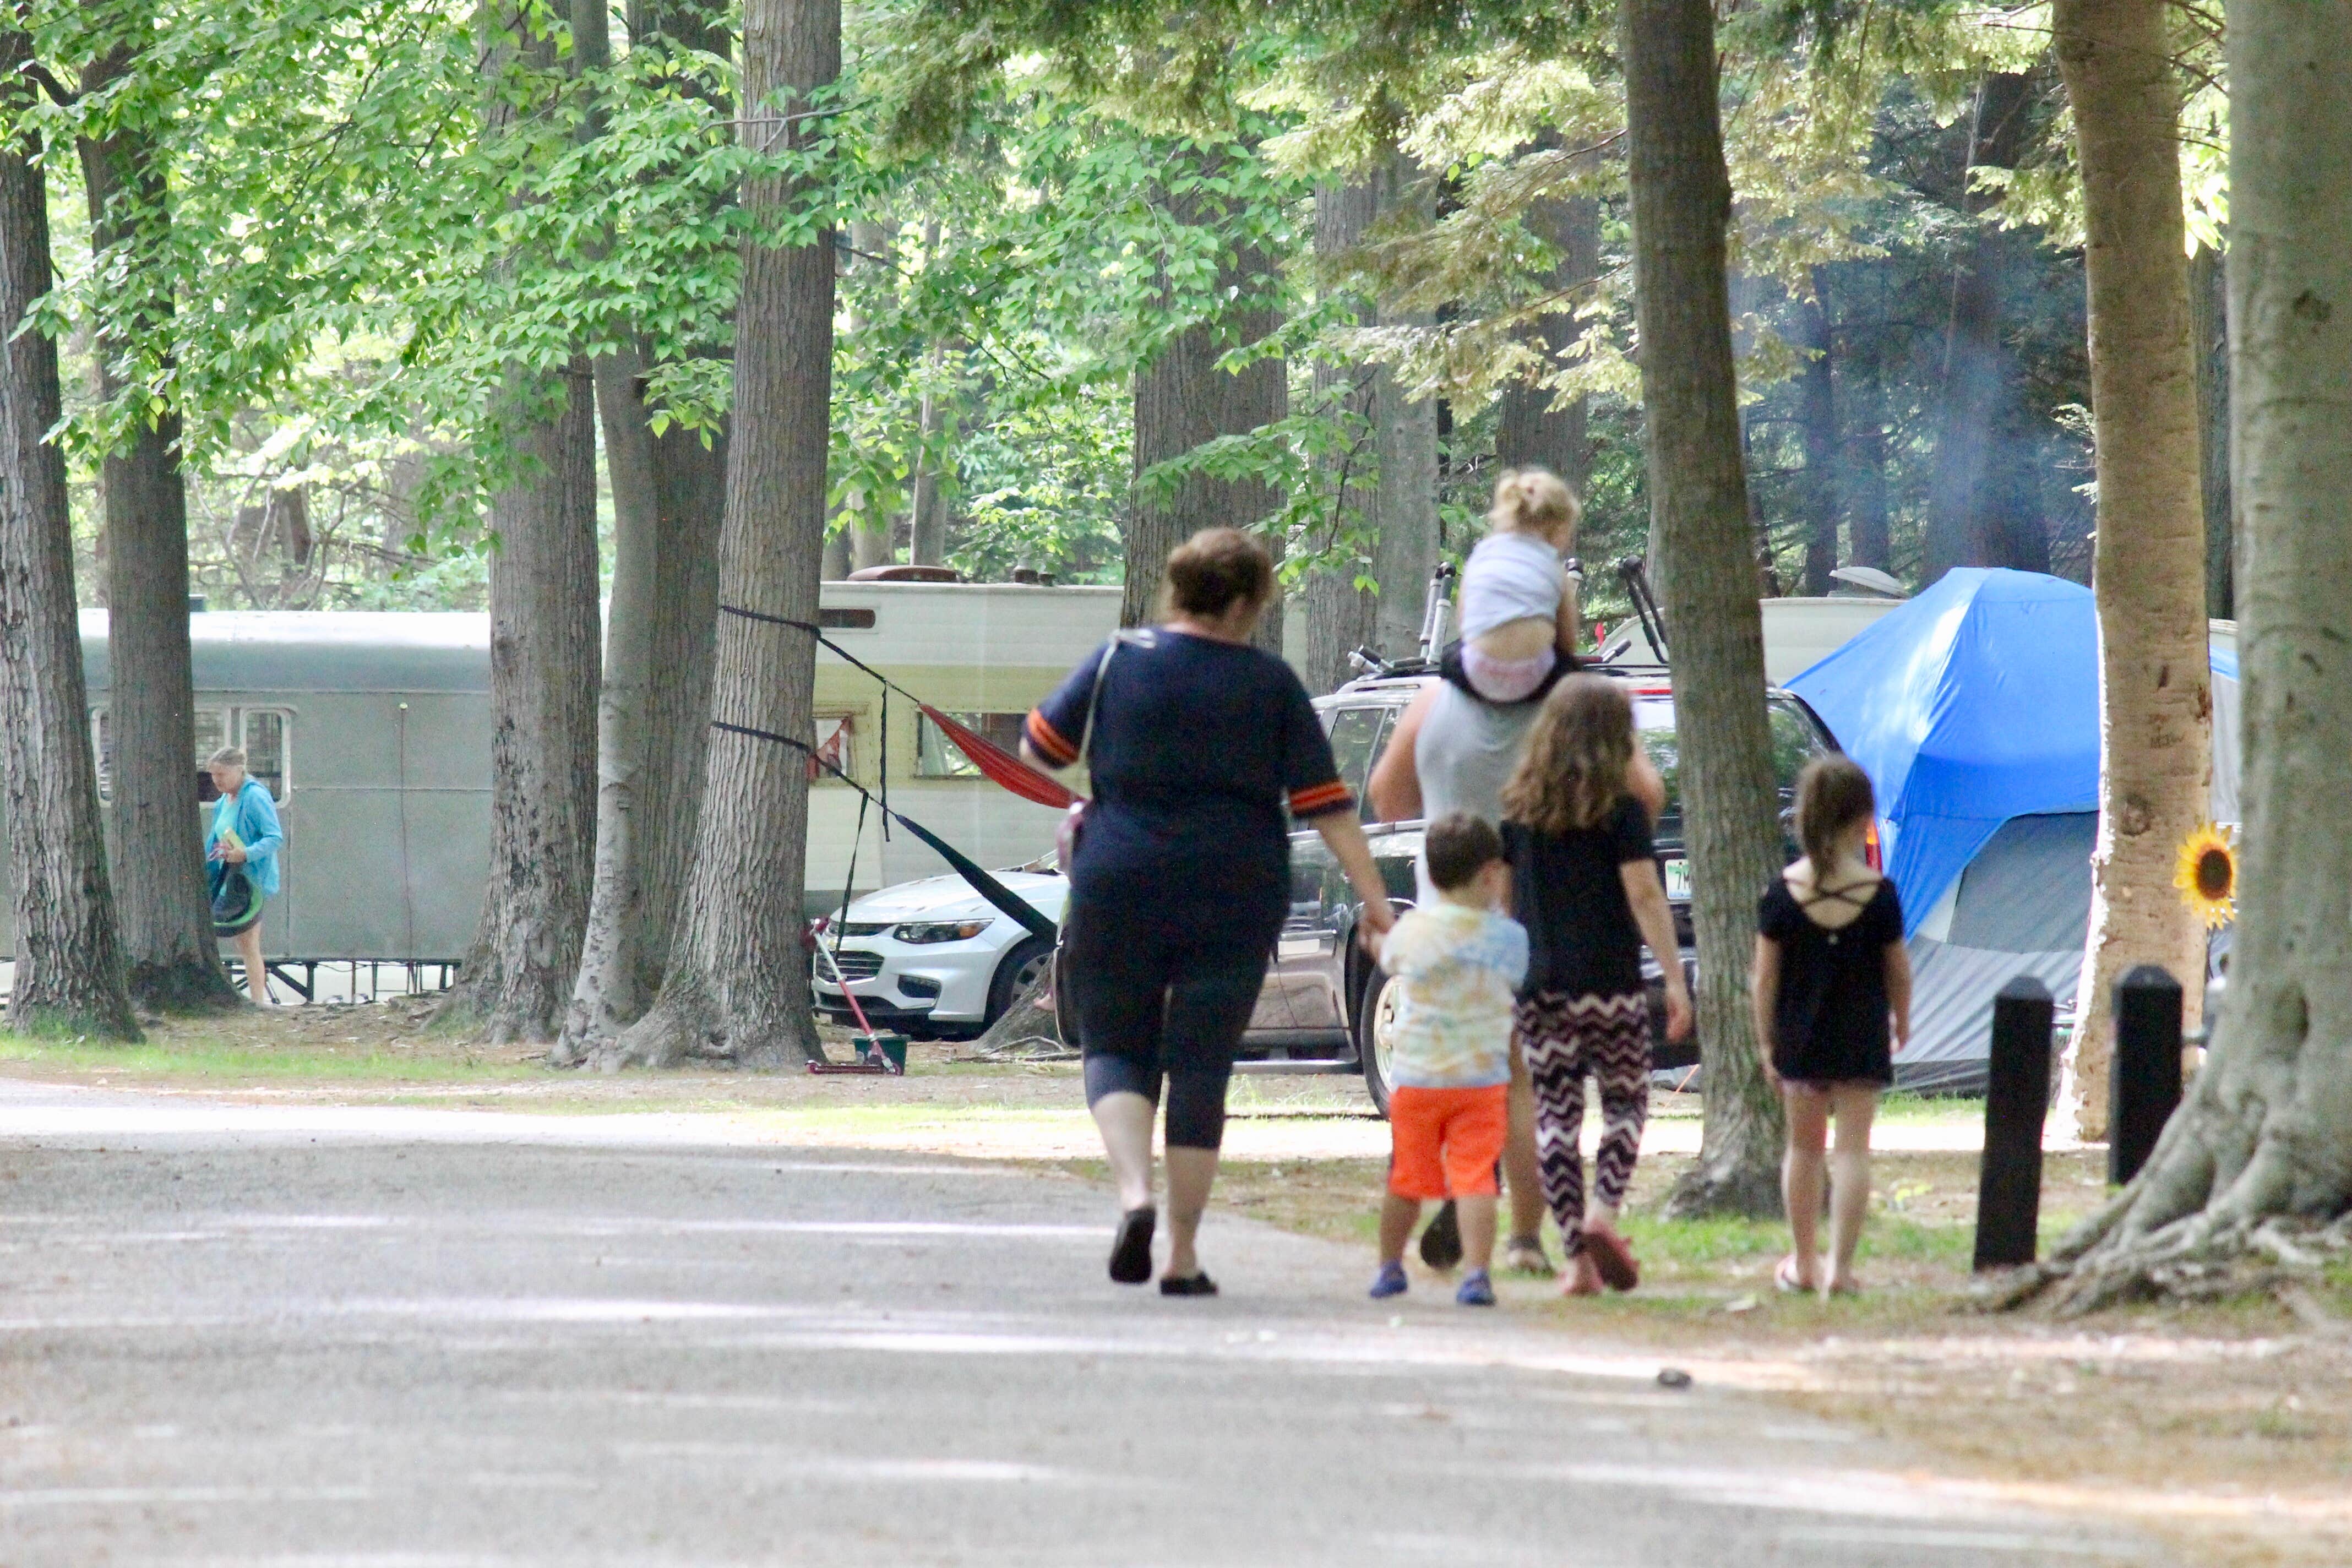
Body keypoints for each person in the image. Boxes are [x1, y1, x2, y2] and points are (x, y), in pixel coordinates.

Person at [1025, 527, 1396, 1297]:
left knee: (1116, 1045)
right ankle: (1183, 1255)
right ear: (1244, 601)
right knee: (1201, 1065)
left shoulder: (1119, 659)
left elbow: (1040, 748)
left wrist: (1108, 787)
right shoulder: (1269, 683)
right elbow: (1327, 805)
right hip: (1235, 886)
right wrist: (1374, 899)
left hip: (1119, 878)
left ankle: (1135, 1196)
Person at [1366, 649, 1667, 1281]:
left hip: (1504, 963)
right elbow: (1647, 818)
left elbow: (1390, 801)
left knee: (1546, 1109)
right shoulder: (1613, 790)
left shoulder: (1452, 728)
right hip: (1589, 969)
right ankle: (1544, 1232)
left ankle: (1534, 1242)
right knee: (1572, 1097)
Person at [1498, 677, 1690, 1296]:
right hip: (1609, 982)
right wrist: (1675, 977)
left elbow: (1505, 906)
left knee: (1556, 1116)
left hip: (1540, 987)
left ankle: (1577, 1262)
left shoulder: (1519, 814)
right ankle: (1603, 1213)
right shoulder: (1621, 811)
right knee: (1627, 1103)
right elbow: (1643, 893)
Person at [1752, 755, 1911, 1300]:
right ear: (1863, 818)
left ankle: (1803, 1263)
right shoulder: (1880, 894)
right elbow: (1898, 969)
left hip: (1800, 1036)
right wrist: (1903, 1017)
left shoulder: (1780, 895)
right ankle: (1841, 1269)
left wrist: (1766, 1041)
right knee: (1853, 1152)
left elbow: (1765, 979)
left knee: (1804, 1151)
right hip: (1861, 1033)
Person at [1367, 813, 1526, 1308]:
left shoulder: (1413, 931)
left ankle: (1389, 1268)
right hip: (1481, 1079)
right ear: (1490, 874)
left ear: (1432, 876)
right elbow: (1516, 978)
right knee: (1476, 1178)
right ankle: (1476, 1275)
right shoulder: (1509, 938)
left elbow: (1388, 956)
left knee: (1406, 1179)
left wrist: (1375, 941)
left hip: (1417, 1079)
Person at [1452, 469, 1583, 704]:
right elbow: (1568, 640)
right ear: (1559, 529)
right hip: (1535, 679)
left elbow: (1465, 625)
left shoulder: (1481, 556)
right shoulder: (1553, 567)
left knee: (1450, 654)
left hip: (1477, 675)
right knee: (1572, 668)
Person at [204, 747, 284, 1005]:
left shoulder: (255, 797)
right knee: (239, 942)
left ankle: (258, 1002)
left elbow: (274, 837)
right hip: (226, 877)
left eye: (222, 774)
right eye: (213, 775)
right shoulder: (223, 801)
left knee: (248, 943)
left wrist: (246, 854)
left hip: (250, 882)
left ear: (239, 770)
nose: (216, 781)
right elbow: (215, 839)